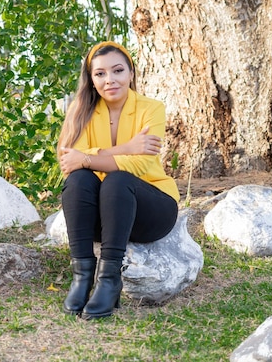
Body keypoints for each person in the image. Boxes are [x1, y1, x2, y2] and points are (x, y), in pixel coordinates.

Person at [57, 41, 180, 320]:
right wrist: (126, 148)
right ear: (91, 79)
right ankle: (82, 276)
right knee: (78, 181)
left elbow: (142, 163)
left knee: (117, 180)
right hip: (103, 218)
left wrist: (87, 158)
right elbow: (69, 163)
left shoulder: (151, 109)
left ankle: (110, 279)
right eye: (100, 74)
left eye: (117, 70)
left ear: (131, 73)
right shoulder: (81, 111)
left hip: (150, 211)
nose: (109, 80)